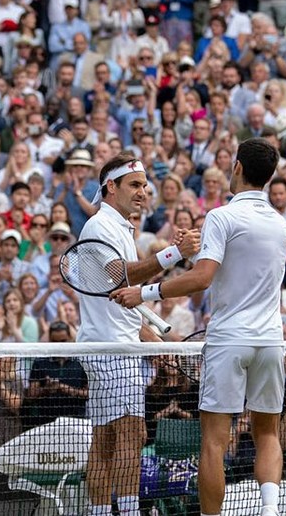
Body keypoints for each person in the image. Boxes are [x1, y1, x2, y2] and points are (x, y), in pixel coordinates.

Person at [112, 138, 286, 516]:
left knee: (213, 442)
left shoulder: (222, 216)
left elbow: (203, 277)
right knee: (268, 433)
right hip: (271, 340)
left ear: (237, 167)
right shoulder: (280, 224)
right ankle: (271, 509)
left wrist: (144, 293)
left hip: (229, 339)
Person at [77, 152, 199, 516]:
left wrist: (159, 340)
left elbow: (120, 303)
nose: (143, 192)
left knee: (106, 440)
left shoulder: (120, 228)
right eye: (134, 185)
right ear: (110, 187)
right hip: (111, 351)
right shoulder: (100, 226)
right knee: (133, 435)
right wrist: (173, 253)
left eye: (145, 185)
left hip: (110, 345)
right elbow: (122, 276)